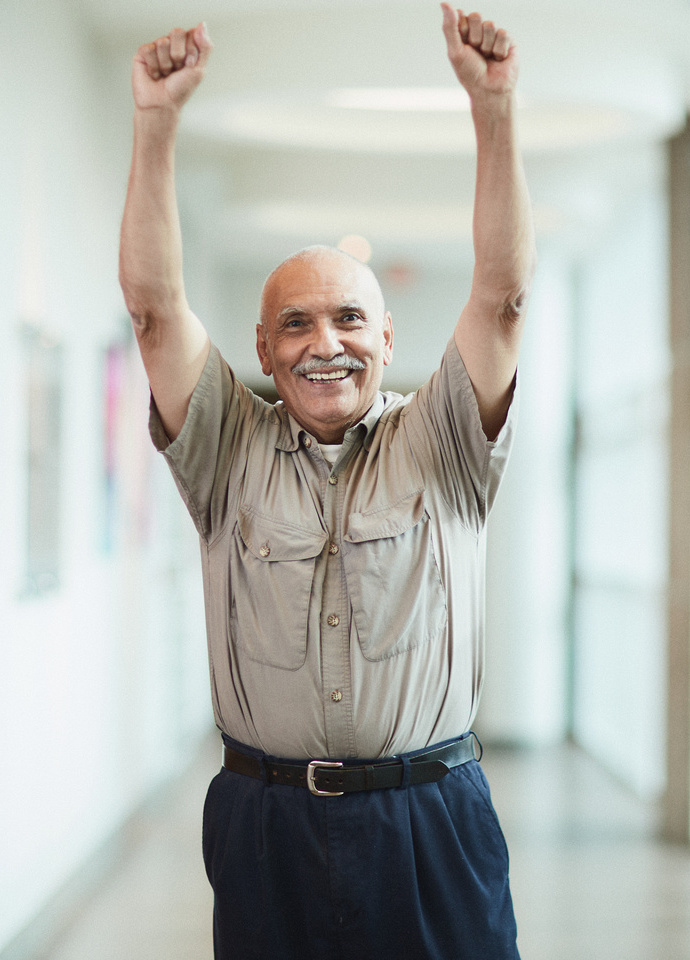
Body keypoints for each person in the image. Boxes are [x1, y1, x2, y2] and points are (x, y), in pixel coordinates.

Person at [119, 5, 536, 959]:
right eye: (295, 325)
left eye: (349, 319)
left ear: (387, 339)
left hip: (431, 822)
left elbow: (503, 297)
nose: (325, 345)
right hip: (267, 827)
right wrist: (156, 123)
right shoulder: (225, 450)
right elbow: (152, 311)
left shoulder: (444, 445)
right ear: (262, 347)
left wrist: (495, 109)